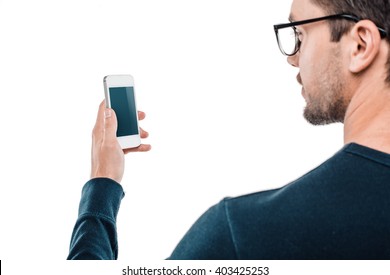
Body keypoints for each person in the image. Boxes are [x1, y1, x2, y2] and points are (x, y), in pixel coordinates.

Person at [68, 0, 390, 260]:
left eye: (300, 36)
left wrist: (102, 185)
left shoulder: (244, 236)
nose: (293, 59)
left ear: (360, 45)